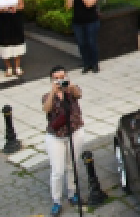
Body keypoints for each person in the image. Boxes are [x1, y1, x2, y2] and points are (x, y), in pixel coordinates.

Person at [43, 66, 84, 215]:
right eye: (57, 78)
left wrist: (70, 86)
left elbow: (79, 94)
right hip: (56, 136)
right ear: (52, 80)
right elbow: (46, 108)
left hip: (74, 132)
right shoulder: (47, 96)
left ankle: (72, 193)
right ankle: (56, 200)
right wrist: (54, 92)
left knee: (72, 164)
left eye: (62, 77)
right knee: (58, 170)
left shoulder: (71, 92)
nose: (60, 80)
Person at [66, 0, 100, 74]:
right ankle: (86, 63)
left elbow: (88, 4)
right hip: (78, 22)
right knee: (81, 44)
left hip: (91, 22)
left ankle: (94, 63)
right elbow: (69, 6)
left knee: (91, 42)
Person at [0, 0, 23, 77]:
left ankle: (17, 67)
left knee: (17, 43)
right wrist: (3, 9)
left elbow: (21, 6)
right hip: (2, 22)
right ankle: (8, 67)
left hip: (15, 21)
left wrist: (15, 8)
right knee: (5, 45)